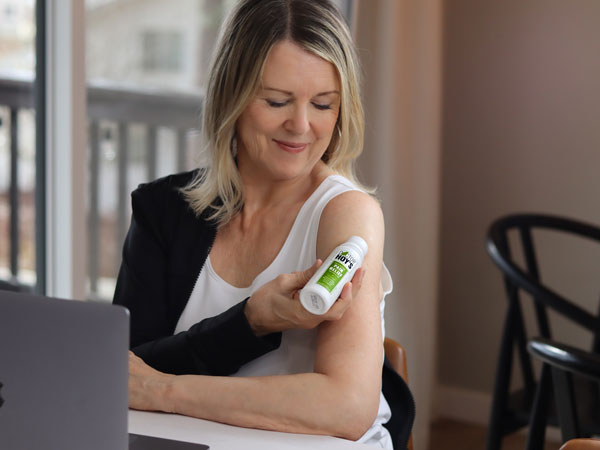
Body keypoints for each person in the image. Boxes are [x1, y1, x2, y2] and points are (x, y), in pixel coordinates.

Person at [114, 0, 405, 448]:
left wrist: (165, 390)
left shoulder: (347, 214)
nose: (301, 126)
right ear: (232, 95)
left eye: (324, 104)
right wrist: (250, 320)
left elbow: (346, 406)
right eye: (276, 101)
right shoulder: (163, 210)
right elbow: (124, 371)